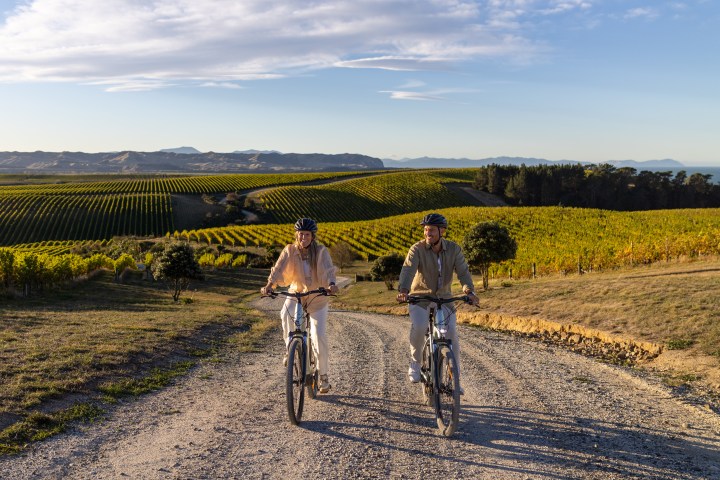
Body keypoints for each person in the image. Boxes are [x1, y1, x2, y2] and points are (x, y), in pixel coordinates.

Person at [396, 213, 479, 393]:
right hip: (420, 298)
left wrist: (469, 291)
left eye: (432, 230)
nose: (428, 233)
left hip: (445, 299)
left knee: (451, 334)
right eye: (426, 230)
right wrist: (403, 290)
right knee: (419, 326)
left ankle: (453, 377)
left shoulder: (454, 250)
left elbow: (463, 272)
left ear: (442, 231)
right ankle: (415, 363)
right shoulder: (416, 249)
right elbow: (408, 270)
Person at [261, 218, 339, 393]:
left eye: (307, 235)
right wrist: (269, 286)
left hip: (317, 296)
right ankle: (290, 348)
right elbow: (279, 268)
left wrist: (332, 284)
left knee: (318, 335)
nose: (303, 237)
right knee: (284, 313)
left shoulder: (320, 251)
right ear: (296, 235)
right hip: (296, 293)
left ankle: (323, 376)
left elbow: (328, 269)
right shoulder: (290, 250)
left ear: (312, 236)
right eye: (301, 234)